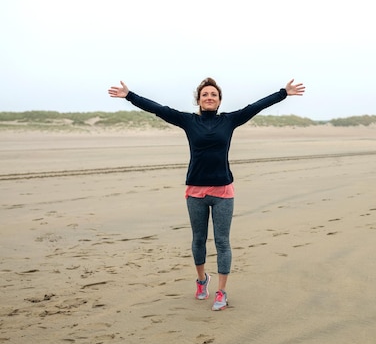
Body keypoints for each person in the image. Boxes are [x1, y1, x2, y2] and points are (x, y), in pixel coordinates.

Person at [108, 78, 305, 310]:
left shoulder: (229, 120)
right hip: (195, 191)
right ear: (199, 100)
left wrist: (283, 93)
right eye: (205, 95)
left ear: (219, 100)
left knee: (222, 242)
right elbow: (158, 109)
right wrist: (130, 95)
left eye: (213, 94)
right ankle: (202, 281)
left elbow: (256, 106)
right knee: (198, 240)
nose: (209, 97)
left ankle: (221, 292)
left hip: (223, 191)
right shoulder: (188, 121)